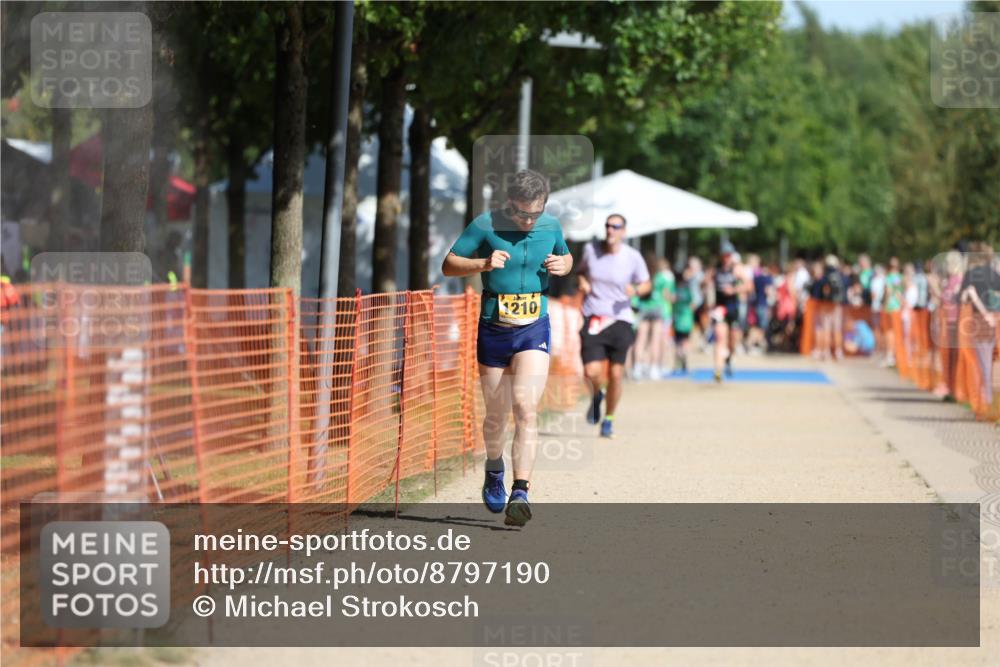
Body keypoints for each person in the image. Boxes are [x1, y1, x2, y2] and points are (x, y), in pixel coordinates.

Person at [442, 169, 573, 527]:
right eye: (521, 214)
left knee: (526, 408)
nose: (528, 221)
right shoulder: (485, 225)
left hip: (534, 327)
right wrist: (482, 263)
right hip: (494, 329)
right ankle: (495, 468)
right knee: (496, 415)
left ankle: (521, 491)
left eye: (535, 213)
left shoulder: (552, 227)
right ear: (508, 204)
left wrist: (565, 265)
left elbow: (566, 256)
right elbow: (449, 264)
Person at [577, 214, 651, 438]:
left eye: (615, 227)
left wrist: (636, 290)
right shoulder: (591, 250)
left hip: (621, 319)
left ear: (623, 231)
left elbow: (646, 283)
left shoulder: (633, 257)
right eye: (608, 226)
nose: (610, 230)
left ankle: (608, 419)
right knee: (592, 371)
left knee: (617, 374)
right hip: (595, 316)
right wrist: (582, 281)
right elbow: (580, 271)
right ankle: (597, 393)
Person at [711, 242, 747, 381]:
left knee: (732, 342)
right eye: (724, 255)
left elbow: (748, 285)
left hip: (733, 308)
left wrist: (734, 290)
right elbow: (706, 281)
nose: (726, 258)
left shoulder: (737, 269)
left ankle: (728, 359)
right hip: (720, 308)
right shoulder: (716, 269)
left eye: (728, 255)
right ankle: (718, 370)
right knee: (720, 337)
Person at [672, 262, 696, 374]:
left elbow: (671, 301)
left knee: (678, 343)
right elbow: (693, 304)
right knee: (686, 342)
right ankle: (686, 364)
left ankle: (677, 365)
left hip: (678, 320)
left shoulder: (675, 291)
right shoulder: (687, 291)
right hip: (687, 321)